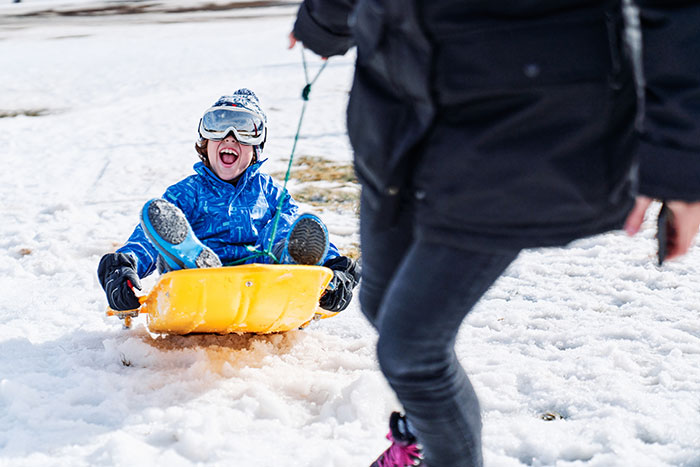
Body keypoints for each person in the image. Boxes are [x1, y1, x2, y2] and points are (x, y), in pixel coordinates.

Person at [290, 1, 700, 466]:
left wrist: (681, 161)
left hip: (523, 126)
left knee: (412, 351)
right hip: (400, 115)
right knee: (381, 305)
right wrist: (324, 20)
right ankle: (428, 434)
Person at [97, 89, 360, 315]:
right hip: (197, 290)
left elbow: (295, 229)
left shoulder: (269, 192)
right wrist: (122, 268)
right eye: (218, 126)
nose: (230, 137)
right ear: (204, 141)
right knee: (169, 242)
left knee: (287, 231)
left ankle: (293, 262)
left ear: (257, 147)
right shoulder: (187, 193)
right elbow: (148, 237)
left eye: (246, 130)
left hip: (260, 284)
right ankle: (190, 258)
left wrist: (337, 270)